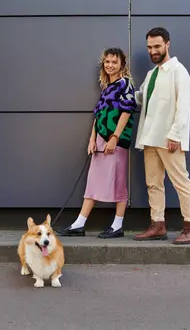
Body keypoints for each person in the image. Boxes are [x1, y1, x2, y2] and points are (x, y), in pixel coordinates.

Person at [56, 47, 137, 239]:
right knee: (93, 181)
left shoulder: (124, 84)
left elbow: (127, 111)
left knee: (118, 182)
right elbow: (98, 114)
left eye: (114, 62)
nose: (110, 65)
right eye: (107, 62)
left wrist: (115, 137)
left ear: (122, 65)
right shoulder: (106, 87)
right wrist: (92, 139)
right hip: (101, 139)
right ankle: (79, 224)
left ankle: (117, 225)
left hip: (115, 141)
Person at [133, 27, 190, 245]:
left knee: (181, 181)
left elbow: (183, 107)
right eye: (150, 47)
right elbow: (142, 99)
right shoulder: (152, 74)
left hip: (169, 138)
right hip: (149, 138)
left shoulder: (179, 71)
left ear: (167, 44)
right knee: (153, 183)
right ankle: (157, 225)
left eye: (157, 46)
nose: (153, 51)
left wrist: (175, 135)